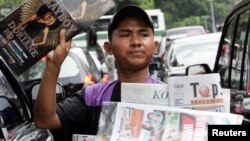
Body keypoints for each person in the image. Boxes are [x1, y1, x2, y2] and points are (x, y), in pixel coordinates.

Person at [34, 5, 163, 140]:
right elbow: (44, 120)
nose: (136, 42)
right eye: (125, 34)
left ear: (155, 46)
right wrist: (53, 65)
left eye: (143, 34)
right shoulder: (93, 97)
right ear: (109, 47)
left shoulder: (171, 97)